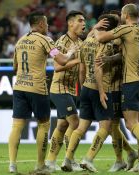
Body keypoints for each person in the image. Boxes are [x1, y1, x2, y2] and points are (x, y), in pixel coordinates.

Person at [95, 3, 139, 174]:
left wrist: (96, 28)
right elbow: (127, 53)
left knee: (130, 123)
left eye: (121, 14)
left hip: (131, 81)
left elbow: (100, 38)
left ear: (126, 15)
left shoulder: (126, 29)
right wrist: (110, 58)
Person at [8, 11, 78, 174]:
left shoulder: (20, 41)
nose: (47, 26)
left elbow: (14, 68)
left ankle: (12, 165)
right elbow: (61, 60)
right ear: (40, 24)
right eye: (46, 23)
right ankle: (40, 165)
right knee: (44, 125)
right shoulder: (45, 40)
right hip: (37, 88)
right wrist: (71, 52)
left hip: (19, 87)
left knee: (17, 126)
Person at [61, 14, 119, 172]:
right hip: (102, 88)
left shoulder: (85, 42)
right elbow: (99, 68)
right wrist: (101, 92)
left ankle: (67, 159)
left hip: (85, 87)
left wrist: (82, 90)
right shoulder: (108, 43)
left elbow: (81, 69)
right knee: (105, 126)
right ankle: (88, 159)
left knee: (80, 127)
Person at [45, 10, 85, 172]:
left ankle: (50, 161)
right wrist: (76, 60)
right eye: (80, 21)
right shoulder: (61, 41)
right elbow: (56, 66)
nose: (84, 24)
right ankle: (70, 160)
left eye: (84, 21)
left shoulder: (81, 43)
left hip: (70, 89)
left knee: (62, 125)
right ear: (70, 23)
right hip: (59, 87)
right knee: (75, 122)